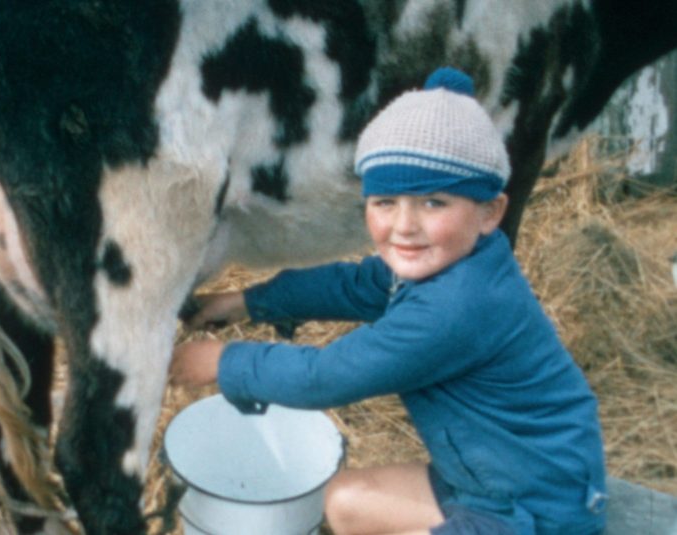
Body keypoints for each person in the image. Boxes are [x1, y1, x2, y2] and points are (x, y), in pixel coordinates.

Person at [169, 68, 607, 535]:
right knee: (343, 501)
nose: (404, 225)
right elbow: (354, 284)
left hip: (537, 512)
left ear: (490, 213)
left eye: (433, 203)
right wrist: (248, 301)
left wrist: (224, 362)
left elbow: (326, 378)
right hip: (487, 482)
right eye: (384, 202)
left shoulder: (459, 306)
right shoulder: (450, 264)